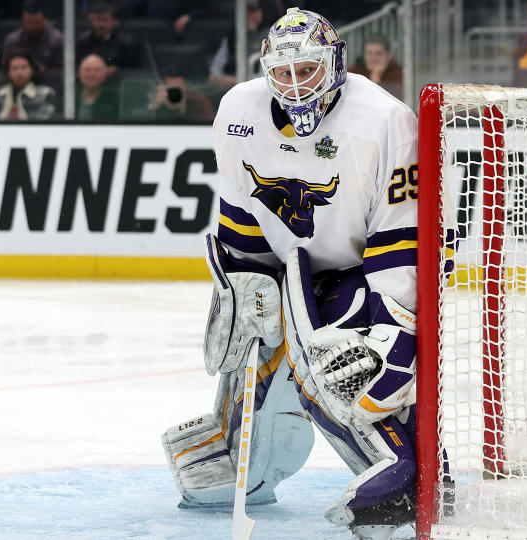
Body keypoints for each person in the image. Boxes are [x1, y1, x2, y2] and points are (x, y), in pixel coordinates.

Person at [161, 8, 419, 540]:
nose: (296, 86)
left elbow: (400, 238)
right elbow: (240, 216)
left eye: (308, 71)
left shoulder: (384, 120)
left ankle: (401, 472)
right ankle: (241, 461)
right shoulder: (238, 110)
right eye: (284, 73)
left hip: (359, 273)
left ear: (336, 65)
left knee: (342, 374)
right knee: (233, 439)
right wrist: (243, 290)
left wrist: (395, 324)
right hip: (282, 271)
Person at [0, 50, 56, 120]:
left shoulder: (45, 94)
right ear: (8, 72)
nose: (19, 73)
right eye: (15, 68)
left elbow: (46, 121)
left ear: (32, 70)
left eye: (24, 67)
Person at [208, 0, 262, 89]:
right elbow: (214, 74)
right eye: (247, 12)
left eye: (253, 11)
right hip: (235, 87)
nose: (252, 16)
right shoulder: (231, 38)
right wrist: (239, 81)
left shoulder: (270, 35)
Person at [76, 2, 140, 74]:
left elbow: (132, 69)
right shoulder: (83, 41)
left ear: (114, 21)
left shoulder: (127, 43)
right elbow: (77, 65)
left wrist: (116, 70)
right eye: (97, 20)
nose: (101, 24)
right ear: (92, 21)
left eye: (105, 20)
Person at [2, 0, 64, 71]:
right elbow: (5, 69)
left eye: (36, 22)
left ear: (45, 19)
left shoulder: (57, 40)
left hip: (50, 80)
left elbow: (61, 72)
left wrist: (42, 70)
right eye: (28, 22)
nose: (32, 27)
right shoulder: (12, 40)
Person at [347, 35, 403, 101]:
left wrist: (376, 77)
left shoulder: (397, 74)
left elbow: (395, 102)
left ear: (388, 56)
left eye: (379, 53)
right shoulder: (354, 72)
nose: (373, 58)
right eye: (369, 53)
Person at [75, 53, 118, 120]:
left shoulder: (115, 99)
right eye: (87, 70)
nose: (92, 74)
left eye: (97, 70)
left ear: (105, 74)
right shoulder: (70, 97)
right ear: (79, 73)